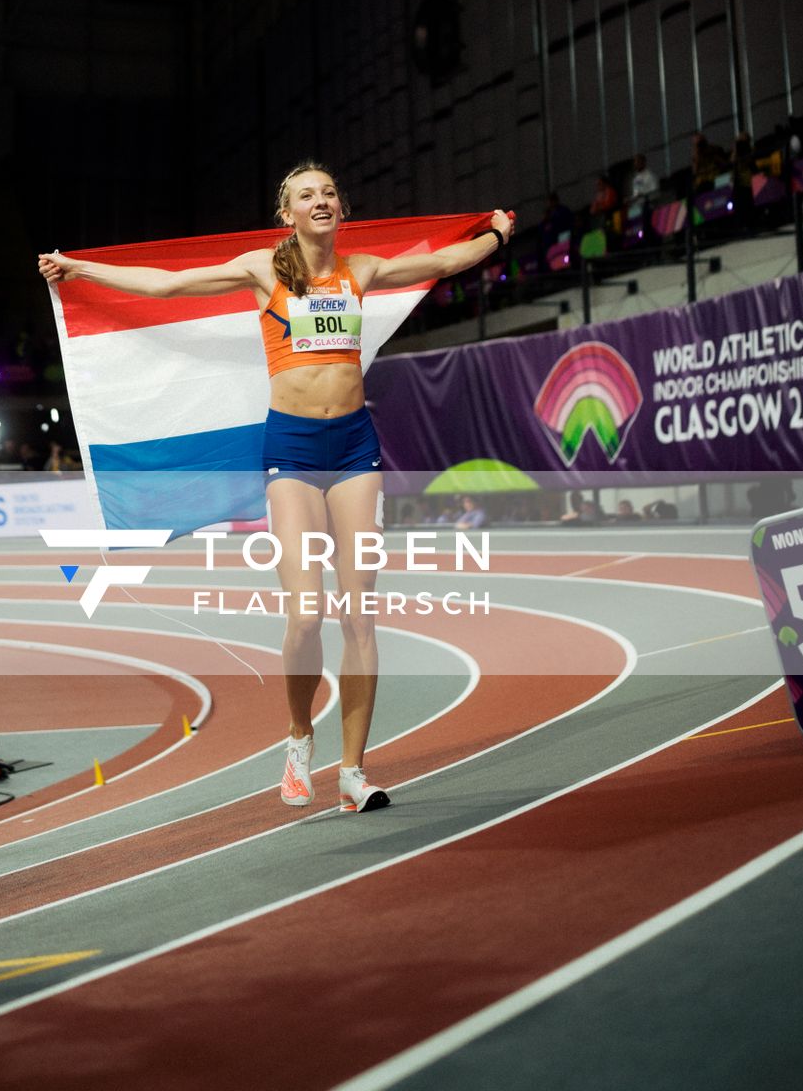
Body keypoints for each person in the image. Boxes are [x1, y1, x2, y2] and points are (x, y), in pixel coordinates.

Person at [40, 160, 515, 815]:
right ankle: (298, 735)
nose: (319, 201)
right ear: (286, 214)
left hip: (353, 448)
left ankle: (353, 770)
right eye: (305, 196)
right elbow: (170, 285)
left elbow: (452, 260)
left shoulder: (365, 271)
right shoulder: (265, 269)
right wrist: (82, 269)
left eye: (327, 193)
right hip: (291, 450)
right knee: (306, 614)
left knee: (359, 614)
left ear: (340, 208)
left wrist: (497, 233)